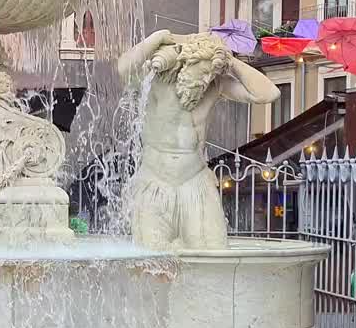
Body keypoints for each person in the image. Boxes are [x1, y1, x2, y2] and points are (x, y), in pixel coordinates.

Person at [118, 30, 279, 250]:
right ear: (187, 62)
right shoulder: (155, 77)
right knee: (150, 262)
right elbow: (123, 68)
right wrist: (159, 37)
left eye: (210, 74)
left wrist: (229, 61)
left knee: (213, 254)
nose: (205, 79)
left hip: (195, 182)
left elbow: (268, 93)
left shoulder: (214, 84)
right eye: (203, 71)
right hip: (154, 182)